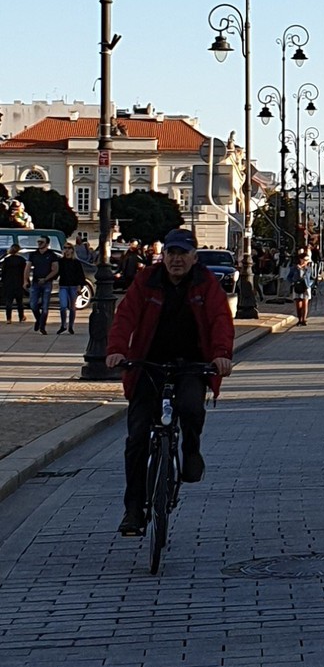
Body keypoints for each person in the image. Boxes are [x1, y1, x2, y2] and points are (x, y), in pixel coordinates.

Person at [105, 228, 233, 536]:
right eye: (171, 253)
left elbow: (220, 320)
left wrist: (220, 356)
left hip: (192, 363)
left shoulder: (205, 283)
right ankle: (134, 509)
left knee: (191, 407)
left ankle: (190, 450)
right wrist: (117, 351)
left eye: (183, 254)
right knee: (136, 438)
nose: (176, 260)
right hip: (149, 363)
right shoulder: (147, 279)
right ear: (164, 255)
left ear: (193, 256)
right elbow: (126, 316)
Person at [25, 235, 58, 334]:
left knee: (45, 307)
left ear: (47, 244)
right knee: (33, 304)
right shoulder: (34, 254)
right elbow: (27, 268)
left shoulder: (52, 255)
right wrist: (25, 280)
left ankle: (42, 326)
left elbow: (55, 269)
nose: (39, 244)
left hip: (47, 282)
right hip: (35, 282)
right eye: (38, 242)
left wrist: (46, 279)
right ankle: (39, 320)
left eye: (41, 242)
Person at [56, 242, 86, 334]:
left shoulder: (76, 262)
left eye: (69, 248)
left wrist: (79, 287)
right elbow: (56, 272)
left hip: (73, 286)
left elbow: (80, 276)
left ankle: (71, 326)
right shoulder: (61, 261)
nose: (67, 250)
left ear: (72, 250)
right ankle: (63, 325)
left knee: (72, 307)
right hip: (63, 286)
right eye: (65, 248)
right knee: (63, 306)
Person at [1, 243, 27, 322]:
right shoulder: (22, 260)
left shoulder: (7, 260)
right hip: (19, 282)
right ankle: (21, 317)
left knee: (9, 301)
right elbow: (25, 272)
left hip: (8, 283)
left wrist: (3, 281)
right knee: (19, 301)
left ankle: (8, 318)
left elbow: (3, 272)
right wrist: (26, 281)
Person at [288, 248, 313, 326]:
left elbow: (312, 277)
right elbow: (289, 277)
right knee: (299, 304)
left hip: (306, 287)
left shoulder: (308, 268)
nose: (306, 262)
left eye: (307, 260)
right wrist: (293, 283)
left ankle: (304, 319)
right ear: (301, 259)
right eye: (305, 260)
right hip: (297, 286)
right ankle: (299, 319)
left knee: (305, 303)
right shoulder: (294, 268)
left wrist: (310, 284)